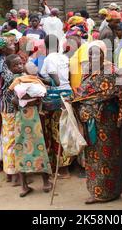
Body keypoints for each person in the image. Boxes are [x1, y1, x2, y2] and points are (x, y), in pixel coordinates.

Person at [72, 41, 122, 204]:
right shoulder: (88, 72)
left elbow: (117, 94)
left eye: (96, 54)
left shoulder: (112, 71)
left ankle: (110, 192)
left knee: (109, 156)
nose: (92, 57)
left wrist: (82, 100)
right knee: (93, 157)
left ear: (104, 56)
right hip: (91, 120)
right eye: (89, 54)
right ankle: (97, 191)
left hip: (107, 120)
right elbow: (83, 93)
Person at [9, 62, 52, 197]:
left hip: (21, 118)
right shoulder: (35, 83)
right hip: (35, 118)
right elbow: (42, 99)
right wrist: (32, 101)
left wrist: (22, 101)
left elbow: (14, 102)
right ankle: (45, 182)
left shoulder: (17, 83)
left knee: (20, 148)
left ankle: (24, 186)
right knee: (40, 147)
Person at [39, 35, 73, 178]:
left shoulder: (49, 59)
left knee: (56, 133)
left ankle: (63, 169)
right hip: (68, 96)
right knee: (66, 131)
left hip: (56, 99)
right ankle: (66, 166)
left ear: (45, 46)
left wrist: (36, 77)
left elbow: (56, 81)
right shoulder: (64, 58)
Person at [0, 54, 23, 184]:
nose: (20, 66)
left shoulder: (11, 76)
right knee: (13, 141)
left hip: (6, 110)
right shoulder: (15, 78)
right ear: (9, 67)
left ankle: (9, 173)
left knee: (8, 140)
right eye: (16, 65)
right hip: (10, 111)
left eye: (20, 63)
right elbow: (15, 100)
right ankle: (15, 175)